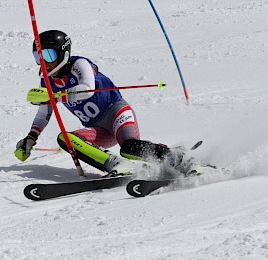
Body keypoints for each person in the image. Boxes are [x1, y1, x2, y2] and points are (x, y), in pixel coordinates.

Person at [15, 30, 188, 176]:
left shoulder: (79, 64)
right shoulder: (47, 81)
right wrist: (31, 137)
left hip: (117, 113)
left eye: (47, 55)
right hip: (98, 130)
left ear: (63, 54)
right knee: (66, 138)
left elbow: (88, 88)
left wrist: (56, 96)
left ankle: (179, 158)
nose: (42, 62)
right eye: (38, 56)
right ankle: (117, 165)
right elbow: (44, 113)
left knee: (129, 147)